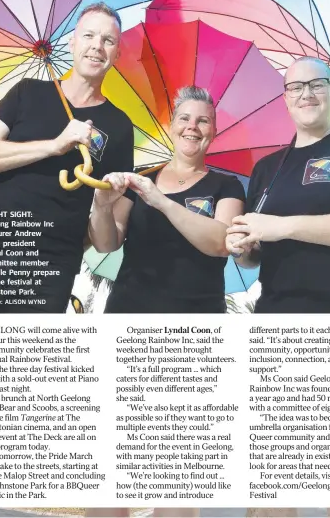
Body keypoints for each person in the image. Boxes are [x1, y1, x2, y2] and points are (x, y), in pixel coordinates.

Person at [0, 2, 134, 517]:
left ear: (115, 54)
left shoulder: (119, 128)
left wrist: (104, 205)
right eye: (89, 36)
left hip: (46, 269)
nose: (96, 47)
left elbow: (105, 242)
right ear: (73, 42)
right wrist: (55, 143)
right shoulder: (31, 93)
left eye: (107, 41)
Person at [226, 56, 330, 518]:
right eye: (295, 87)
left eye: (316, 84)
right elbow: (261, 254)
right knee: (270, 500)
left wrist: (282, 225)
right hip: (279, 335)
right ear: (284, 99)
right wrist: (246, 246)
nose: (306, 94)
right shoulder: (267, 169)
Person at [85, 86, 245, 518]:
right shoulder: (140, 179)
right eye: (185, 118)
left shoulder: (225, 186)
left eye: (203, 120)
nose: (193, 127)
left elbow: (220, 242)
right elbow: (106, 241)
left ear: (213, 131)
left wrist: (160, 200)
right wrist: (102, 203)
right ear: (171, 124)